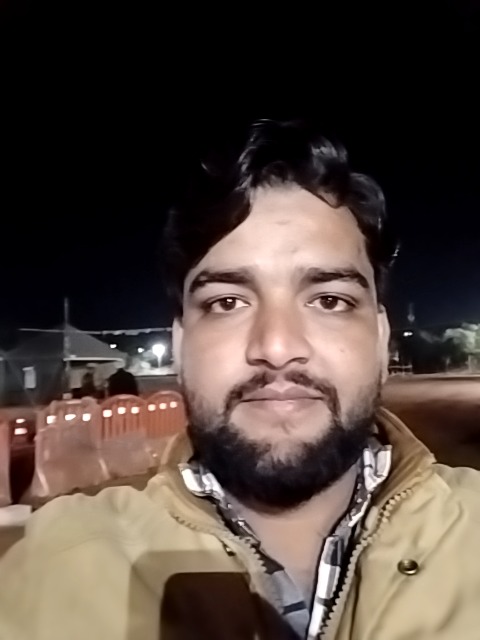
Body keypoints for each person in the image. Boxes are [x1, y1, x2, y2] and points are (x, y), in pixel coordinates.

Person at [1, 119, 480, 640]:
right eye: (227, 302)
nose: (276, 346)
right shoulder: (56, 570)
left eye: (329, 300)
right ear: (180, 344)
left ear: (382, 338)